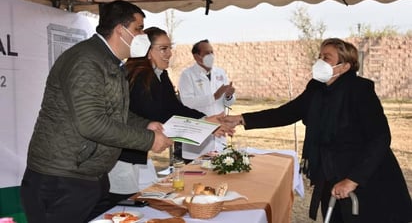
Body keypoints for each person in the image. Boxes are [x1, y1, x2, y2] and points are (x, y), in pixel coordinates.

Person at [223, 38, 412, 223]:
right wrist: (242, 119)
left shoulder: (360, 90)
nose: (320, 61)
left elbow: (380, 137)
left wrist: (353, 179)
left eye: (327, 57)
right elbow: (286, 113)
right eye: (319, 56)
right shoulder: (316, 88)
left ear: (345, 66)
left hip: (365, 177)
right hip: (329, 172)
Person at [20, 0, 173, 223]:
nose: (143, 36)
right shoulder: (86, 61)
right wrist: (148, 140)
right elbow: (91, 123)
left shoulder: (109, 61)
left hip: (89, 176)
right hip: (61, 179)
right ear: (120, 30)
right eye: (138, 29)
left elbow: (113, 113)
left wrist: (144, 125)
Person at [108, 27, 232, 205]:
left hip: (139, 153)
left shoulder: (159, 74)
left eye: (170, 48)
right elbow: (157, 114)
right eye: (163, 49)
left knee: (144, 199)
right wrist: (204, 125)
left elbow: (174, 107)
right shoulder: (139, 76)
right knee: (123, 208)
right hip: (123, 156)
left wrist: (206, 120)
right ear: (148, 51)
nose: (170, 53)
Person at [178, 39, 236, 160]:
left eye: (212, 52)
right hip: (197, 135)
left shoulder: (220, 72)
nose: (211, 56)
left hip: (219, 132)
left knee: (219, 171)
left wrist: (228, 95)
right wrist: (214, 96)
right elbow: (187, 103)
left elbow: (228, 102)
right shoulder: (187, 75)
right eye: (207, 53)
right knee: (196, 174)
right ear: (196, 56)